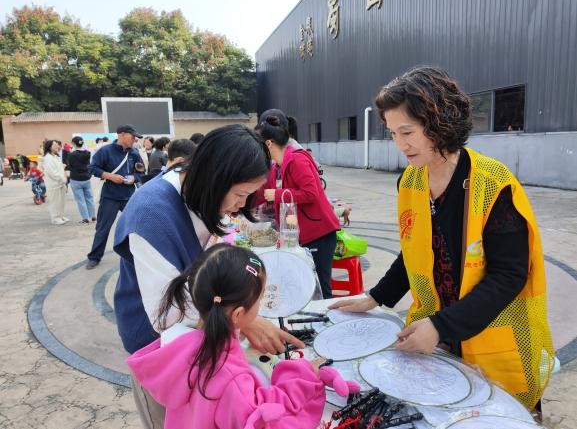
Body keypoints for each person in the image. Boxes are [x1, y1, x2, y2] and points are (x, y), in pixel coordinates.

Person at [330, 66, 554, 410]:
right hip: (438, 341)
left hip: (493, 338)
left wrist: (440, 325)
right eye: (392, 133)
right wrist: (375, 297)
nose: (400, 144)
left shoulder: (494, 184)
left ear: (439, 122)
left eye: (407, 131)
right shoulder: (411, 181)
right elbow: (415, 251)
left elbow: (509, 275)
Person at [113, 124, 306, 428]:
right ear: (215, 179)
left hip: (202, 334)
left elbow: (215, 251)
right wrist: (245, 318)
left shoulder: (202, 193)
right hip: (164, 349)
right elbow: (166, 313)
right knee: (173, 418)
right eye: (240, 194)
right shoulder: (150, 215)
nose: (241, 206)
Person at [127, 244, 359, 429]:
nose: (261, 305)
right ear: (239, 314)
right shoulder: (226, 372)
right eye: (259, 299)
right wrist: (304, 375)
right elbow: (259, 416)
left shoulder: (181, 345)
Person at [254, 109, 340, 299]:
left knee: (319, 285)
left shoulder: (297, 159)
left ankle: (326, 321)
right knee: (304, 283)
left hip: (319, 233)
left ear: (268, 143)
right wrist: (238, 204)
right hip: (300, 233)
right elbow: (261, 193)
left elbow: (311, 193)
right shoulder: (277, 165)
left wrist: (276, 194)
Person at [86, 124, 144, 270]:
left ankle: (139, 254)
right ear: (121, 134)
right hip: (110, 196)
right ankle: (94, 257)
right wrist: (109, 176)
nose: (134, 140)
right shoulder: (105, 151)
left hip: (129, 195)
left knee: (136, 226)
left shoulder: (134, 153)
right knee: (103, 228)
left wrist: (133, 179)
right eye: (133, 137)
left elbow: (140, 172)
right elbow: (92, 168)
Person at [68, 136, 96, 224]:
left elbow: (70, 166)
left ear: (73, 143)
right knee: (89, 198)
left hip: (75, 179)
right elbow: (89, 164)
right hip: (86, 178)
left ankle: (85, 218)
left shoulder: (71, 154)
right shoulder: (87, 153)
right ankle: (93, 216)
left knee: (80, 199)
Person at [43, 140, 69, 225]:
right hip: (54, 184)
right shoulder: (48, 158)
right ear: (50, 147)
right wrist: (62, 178)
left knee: (61, 201)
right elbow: (52, 172)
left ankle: (61, 216)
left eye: (57, 145)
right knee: (55, 202)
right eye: (55, 145)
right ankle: (55, 218)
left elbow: (59, 168)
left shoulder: (56, 156)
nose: (57, 146)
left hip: (61, 183)